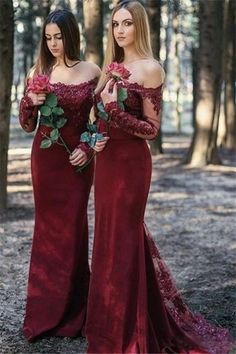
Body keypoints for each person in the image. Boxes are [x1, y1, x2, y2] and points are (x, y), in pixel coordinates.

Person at [85, 1, 233, 353]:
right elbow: (98, 117)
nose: (119, 31)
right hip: (105, 164)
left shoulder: (150, 69)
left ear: (140, 27)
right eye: (115, 24)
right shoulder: (112, 67)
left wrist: (114, 112)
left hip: (132, 166)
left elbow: (151, 129)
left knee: (123, 240)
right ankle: (109, 327)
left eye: (127, 24)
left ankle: (129, 332)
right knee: (108, 241)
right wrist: (96, 136)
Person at [19, 9, 105, 342]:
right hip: (46, 159)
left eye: (59, 36)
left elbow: (101, 119)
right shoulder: (38, 71)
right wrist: (30, 101)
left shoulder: (92, 71)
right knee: (47, 231)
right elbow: (27, 125)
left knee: (73, 229)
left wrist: (88, 145)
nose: (53, 43)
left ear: (72, 35)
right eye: (48, 37)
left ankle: (74, 313)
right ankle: (44, 314)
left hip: (78, 161)